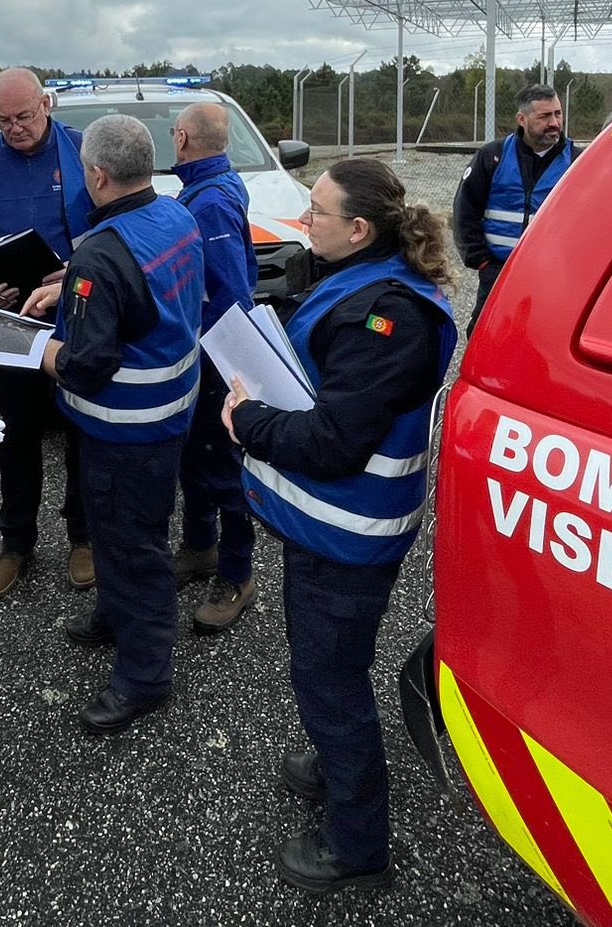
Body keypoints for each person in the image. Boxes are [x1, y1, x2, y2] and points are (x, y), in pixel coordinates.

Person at [224, 157, 458, 894]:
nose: (303, 223)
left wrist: (247, 421)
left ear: (358, 230)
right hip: (331, 527)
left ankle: (357, 846)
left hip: (349, 533)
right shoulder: (367, 282)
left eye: (315, 214)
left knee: (330, 680)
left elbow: (332, 442)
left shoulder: (385, 319)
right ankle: (333, 764)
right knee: (326, 664)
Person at [24, 115, 204, 734]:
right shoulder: (176, 215)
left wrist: (38, 351)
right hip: (169, 414)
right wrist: (73, 289)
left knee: (133, 547)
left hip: (124, 431)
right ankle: (114, 612)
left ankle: (145, 675)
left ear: (97, 174)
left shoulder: (102, 253)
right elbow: (141, 298)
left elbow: (88, 366)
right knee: (119, 532)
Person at [0, 67, 95, 598]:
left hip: (76, 316)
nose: (15, 128)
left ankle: (83, 535)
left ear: (47, 104)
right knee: (17, 432)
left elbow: (114, 227)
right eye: (4, 120)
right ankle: (16, 543)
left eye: (24, 116)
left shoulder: (83, 153)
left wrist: (79, 270)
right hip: (11, 321)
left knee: (81, 428)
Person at [167, 101, 260, 633]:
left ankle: (237, 573)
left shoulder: (212, 203)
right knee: (195, 461)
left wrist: (226, 368)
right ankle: (200, 548)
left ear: (182, 138)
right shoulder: (206, 189)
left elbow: (230, 294)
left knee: (224, 470)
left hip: (215, 358)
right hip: (201, 357)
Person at [450, 83, 574, 320]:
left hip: (551, 278)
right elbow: (464, 211)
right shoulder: (492, 156)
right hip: (498, 271)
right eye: (544, 116)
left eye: (558, 113)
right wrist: (482, 262)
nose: (555, 123)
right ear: (521, 119)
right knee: (486, 333)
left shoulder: (577, 161)